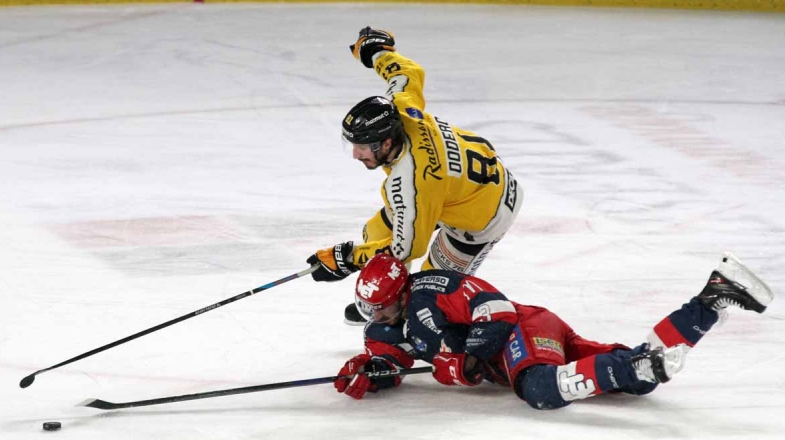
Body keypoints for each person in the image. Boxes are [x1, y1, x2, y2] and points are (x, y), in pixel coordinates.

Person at [333, 252, 773, 409]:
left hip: (526, 328)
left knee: (540, 387)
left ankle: (640, 364)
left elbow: (497, 309)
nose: (377, 315)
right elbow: (389, 359)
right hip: (522, 343)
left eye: (383, 305)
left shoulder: (434, 287)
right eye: (368, 307)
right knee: (638, 379)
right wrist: (369, 373)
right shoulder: (383, 326)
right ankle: (714, 298)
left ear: (403, 291)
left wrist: (467, 356)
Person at [306, 27, 523, 325]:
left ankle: (403, 318)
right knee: (375, 230)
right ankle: (391, 299)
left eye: (362, 147)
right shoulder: (402, 109)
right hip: (458, 187)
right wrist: (378, 52)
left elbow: (406, 248)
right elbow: (408, 72)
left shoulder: (411, 180)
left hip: (483, 217)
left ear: (385, 142)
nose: (356, 155)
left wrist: (347, 259)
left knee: (429, 290)